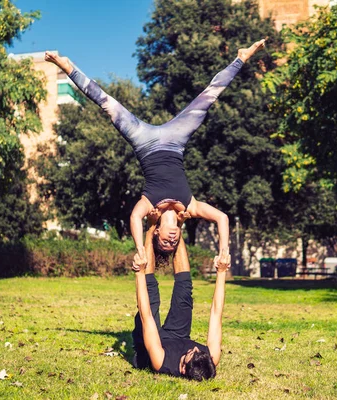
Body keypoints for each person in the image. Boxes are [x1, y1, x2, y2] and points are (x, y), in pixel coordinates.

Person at [44, 39, 265, 263]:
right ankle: (241, 58)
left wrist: (140, 249)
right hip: (175, 141)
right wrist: (223, 251)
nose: (171, 239)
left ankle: (67, 67)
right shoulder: (191, 205)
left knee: (108, 105)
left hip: (144, 142)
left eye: (165, 242)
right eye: (173, 243)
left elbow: (135, 217)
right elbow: (222, 218)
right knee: (208, 97)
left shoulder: (150, 205)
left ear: (156, 233)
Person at [130, 215, 231, 380]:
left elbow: (146, 315)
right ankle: (177, 225)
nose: (196, 349)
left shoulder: (160, 360)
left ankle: (151, 226)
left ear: (183, 369)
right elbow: (216, 314)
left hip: (153, 342)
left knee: (151, 293)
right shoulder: (209, 357)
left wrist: (140, 272)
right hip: (178, 335)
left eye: (192, 353)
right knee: (184, 291)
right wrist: (221, 272)